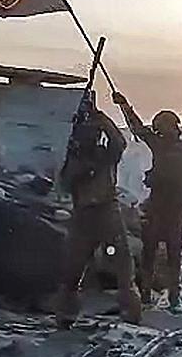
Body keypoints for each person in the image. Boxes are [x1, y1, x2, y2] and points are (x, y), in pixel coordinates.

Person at [112, 92, 182, 310]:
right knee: (159, 255)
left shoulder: (177, 149)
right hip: (161, 206)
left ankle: (167, 298)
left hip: (169, 207)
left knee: (168, 255)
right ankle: (154, 297)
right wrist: (124, 105)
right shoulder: (172, 147)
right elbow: (138, 128)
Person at [55, 92, 142, 328]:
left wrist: (102, 119)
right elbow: (64, 183)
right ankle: (65, 316)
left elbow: (119, 142)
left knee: (123, 267)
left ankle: (131, 312)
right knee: (73, 269)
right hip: (84, 216)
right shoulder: (73, 160)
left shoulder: (105, 156)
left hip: (106, 212)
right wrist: (80, 165)